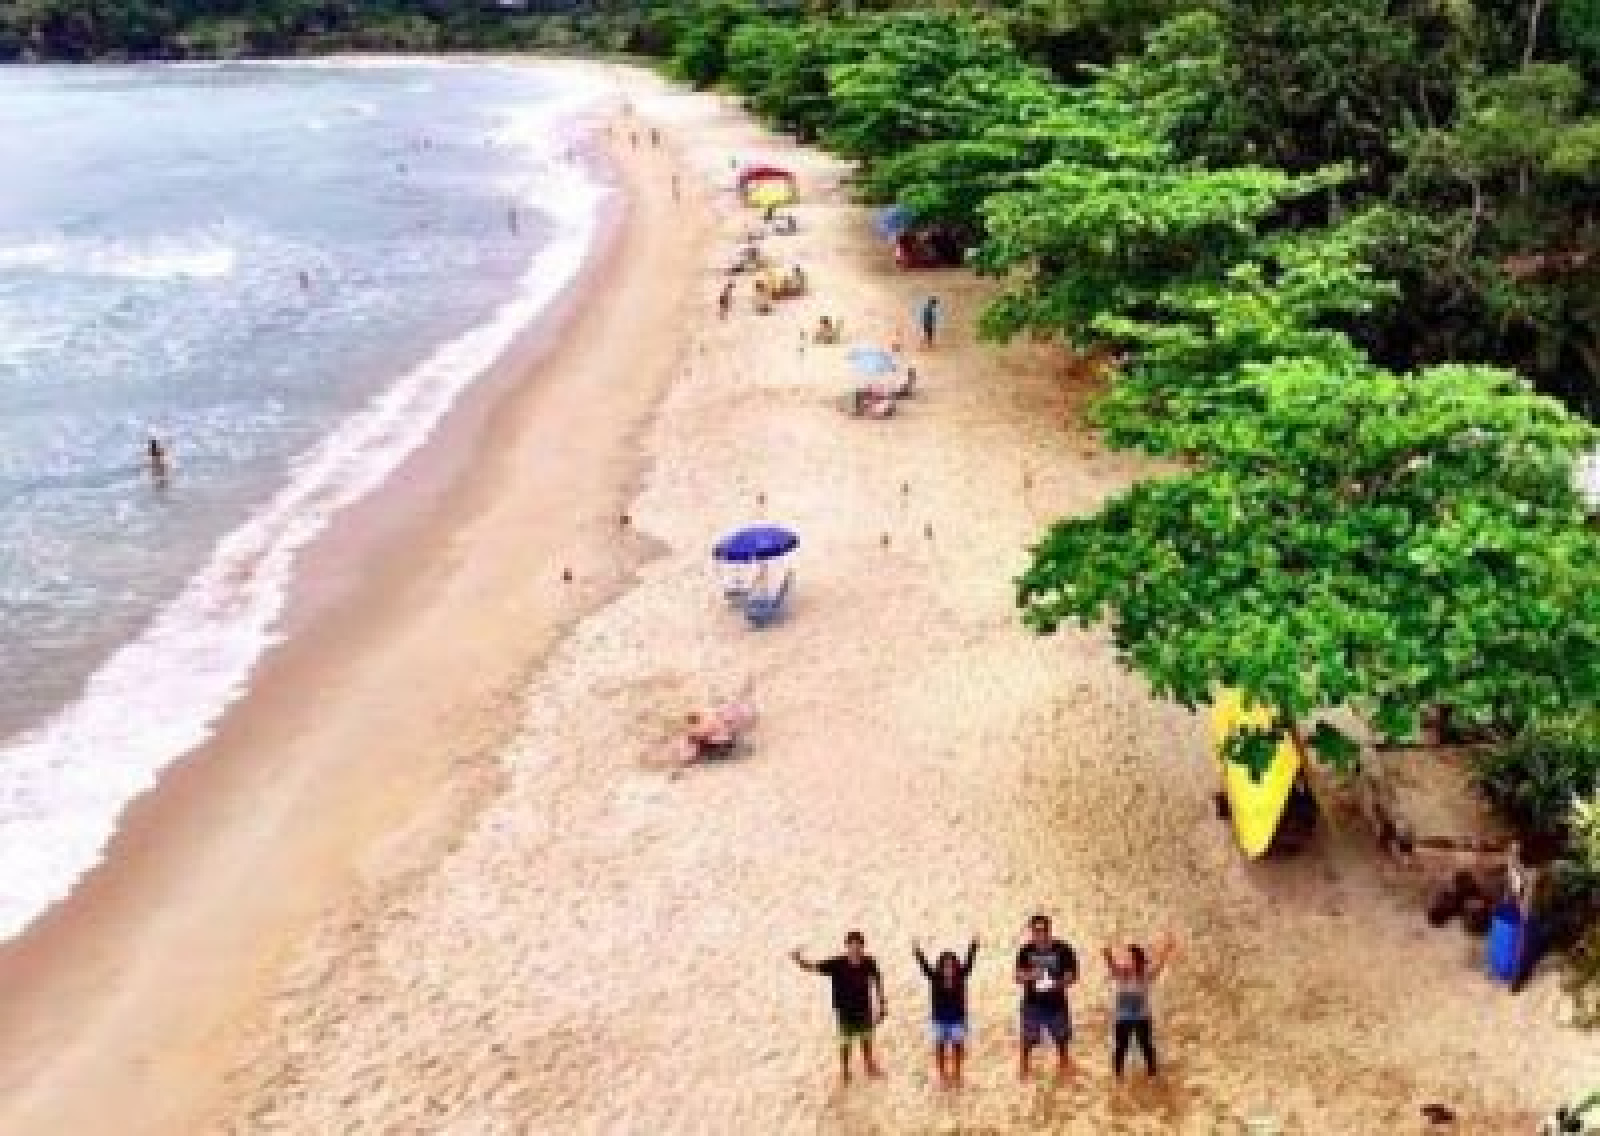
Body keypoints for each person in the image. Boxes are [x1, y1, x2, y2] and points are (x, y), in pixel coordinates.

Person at [791, 932, 886, 1083]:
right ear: (847, 946)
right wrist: (798, 959)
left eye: (858, 946)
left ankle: (869, 1066)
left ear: (863, 947)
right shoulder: (836, 964)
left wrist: (882, 1004)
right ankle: (845, 1070)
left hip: (864, 1008)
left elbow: (877, 981)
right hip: (844, 1011)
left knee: (866, 1039)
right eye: (852, 946)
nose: (855, 949)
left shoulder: (869, 962)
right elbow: (812, 967)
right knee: (845, 1043)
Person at [1103, 933, 1177, 1078]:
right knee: (1120, 1048)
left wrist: (1166, 950)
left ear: (1139, 961)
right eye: (1127, 959)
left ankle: (1153, 1075)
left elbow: (1160, 966)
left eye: (1131, 959)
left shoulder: (1146, 975)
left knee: (1146, 1046)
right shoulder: (1120, 974)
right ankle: (1117, 1077)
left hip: (1141, 1017)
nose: (1128, 962)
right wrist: (1107, 954)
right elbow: (1111, 964)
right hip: (1122, 1018)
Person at [1015, 913, 1078, 1079]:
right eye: (1036, 930)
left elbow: (1072, 976)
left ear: (1050, 930)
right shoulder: (1025, 951)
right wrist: (1031, 976)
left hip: (1057, 1003)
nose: (1040, 934)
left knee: (1062, 1039)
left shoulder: (1064, 949)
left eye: (1044, 930)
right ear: (1031, 931)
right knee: (1027, 1040)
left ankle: (1064, 1064)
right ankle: (1024, 1066)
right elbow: (1017, 977)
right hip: (1032, 1004)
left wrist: (1059, 983)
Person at [914, 936, 978, 1089]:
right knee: (940, 1048)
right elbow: (924, 968)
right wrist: (918, 952)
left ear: (956, 967)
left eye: (952, 965)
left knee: (957, 1047)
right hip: (939, 1020)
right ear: (940, 967)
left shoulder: (961, 976)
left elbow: (969, 964)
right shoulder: (934, 977)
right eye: (946, 966)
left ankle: (957, 1073)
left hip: (958, 1020)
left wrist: (973, 946)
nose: (949, 969)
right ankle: (942, 1075)